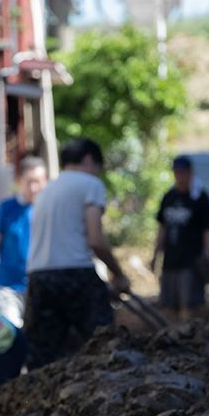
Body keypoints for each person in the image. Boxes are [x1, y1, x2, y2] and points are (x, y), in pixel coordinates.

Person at [24, 137, 129, 370]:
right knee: (104, 345)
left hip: (39, 278)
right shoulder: (90, 184)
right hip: (75, 273)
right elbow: (96, 239)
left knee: (43, 355)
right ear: (89, 159)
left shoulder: (46, 191)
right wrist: (119, 275)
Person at [152, 156, 209, 315]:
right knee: (169, 304)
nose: (180, 176)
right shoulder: (169, 197)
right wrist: (155, 254)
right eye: (177, 172)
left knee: (190, 303)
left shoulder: (199, 197)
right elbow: (162, 227)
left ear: (190, 173)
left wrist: (207, 253)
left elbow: (207, 228)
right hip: (170, 259)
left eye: (183, 172)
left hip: (191, 258)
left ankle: (190, 334)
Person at [0, 156, 47, 327]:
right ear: (20, 181)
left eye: (38, 182)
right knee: (11, 335)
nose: (33, 188)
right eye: (29, 182)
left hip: (40, 286)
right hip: (9, 285)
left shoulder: (49, 209)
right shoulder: (7, 208)